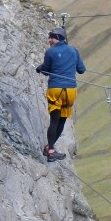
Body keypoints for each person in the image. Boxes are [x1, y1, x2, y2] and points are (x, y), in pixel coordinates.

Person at [36, 26, 86, 162]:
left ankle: (50, 149)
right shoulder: (73, 50)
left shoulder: (50, 52)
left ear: (57, 38)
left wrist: (40, 68)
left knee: (54, 121)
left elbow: (46, 71)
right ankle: (50, 147)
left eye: (51, 37)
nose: (49, 40)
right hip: (70, 91)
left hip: (56, 90)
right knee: (62, 120)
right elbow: (81, 70)